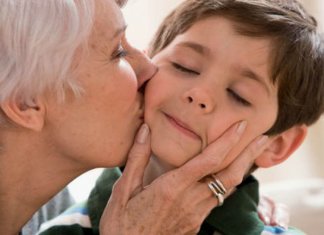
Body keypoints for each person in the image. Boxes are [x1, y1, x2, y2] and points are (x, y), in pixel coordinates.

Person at [37, 0, 324, 234]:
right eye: (185, 66)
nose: (199, 94)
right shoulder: (61, 228)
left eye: (239, 95)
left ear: (277, 144)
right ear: (147, 67)